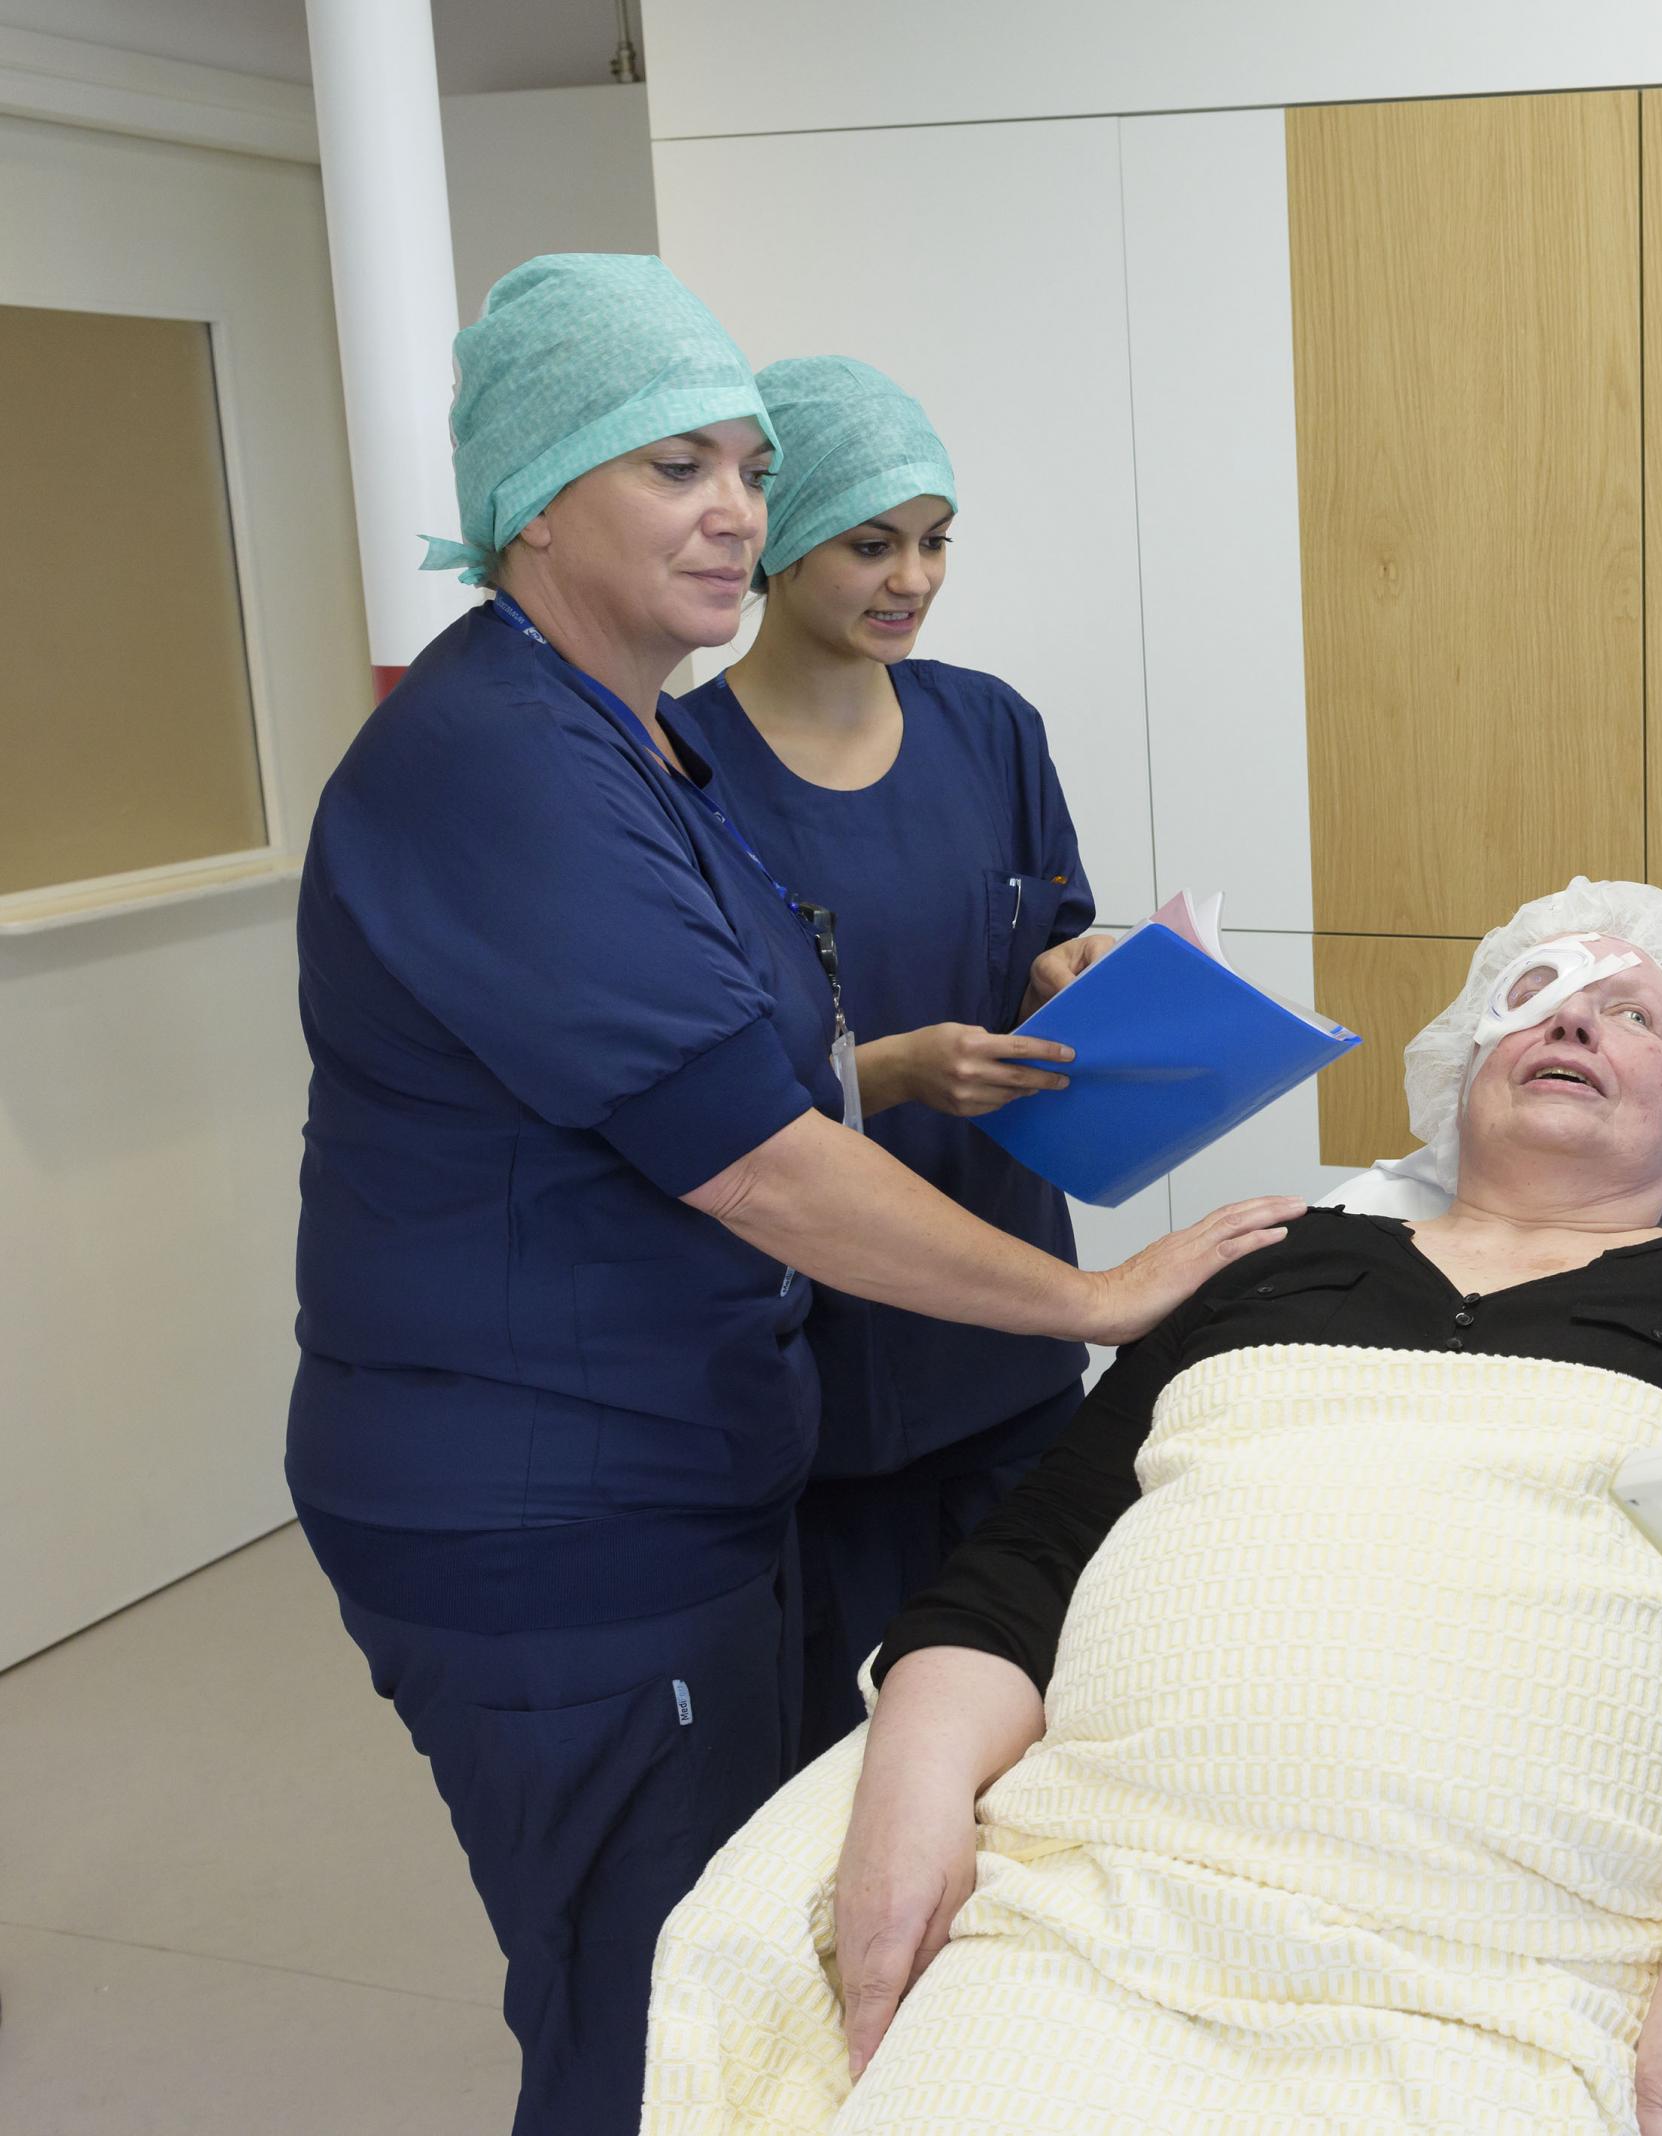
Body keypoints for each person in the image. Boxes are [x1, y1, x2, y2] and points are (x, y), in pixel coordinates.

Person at [288, 253, 1300, 2136]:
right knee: (658, 2006)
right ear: (532, 492)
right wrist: (1092, 1299)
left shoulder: (638, 742)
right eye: (676, 466)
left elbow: (755, 1053)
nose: (736, 509)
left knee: (744, 1951)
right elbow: (755, 1153)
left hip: (681, 1470)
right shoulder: (503, 765)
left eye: (749, 465)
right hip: (548, 1512)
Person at [650, 884, 1662, 2135]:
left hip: (1515, 1981)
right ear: (1461, 1073)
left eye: (1633, 1012)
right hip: (1097, 1927)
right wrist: (913, 1795)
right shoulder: (1270, 1266)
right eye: (1532, 996)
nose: (1576, 1014)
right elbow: (1024, 1570)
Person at [669, 355, 1113, 1760]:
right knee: (842, 1749)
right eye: (872, 542)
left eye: (934, 542)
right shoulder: (679, 766)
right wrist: (890, 1073)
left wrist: (1075, 973)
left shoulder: (988, 727)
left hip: (1011, 1321)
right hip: (822, 1359)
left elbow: (1051, 920)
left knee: (1034, 1712)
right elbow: (687, 1090)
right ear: (779, 538)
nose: (911, 577)